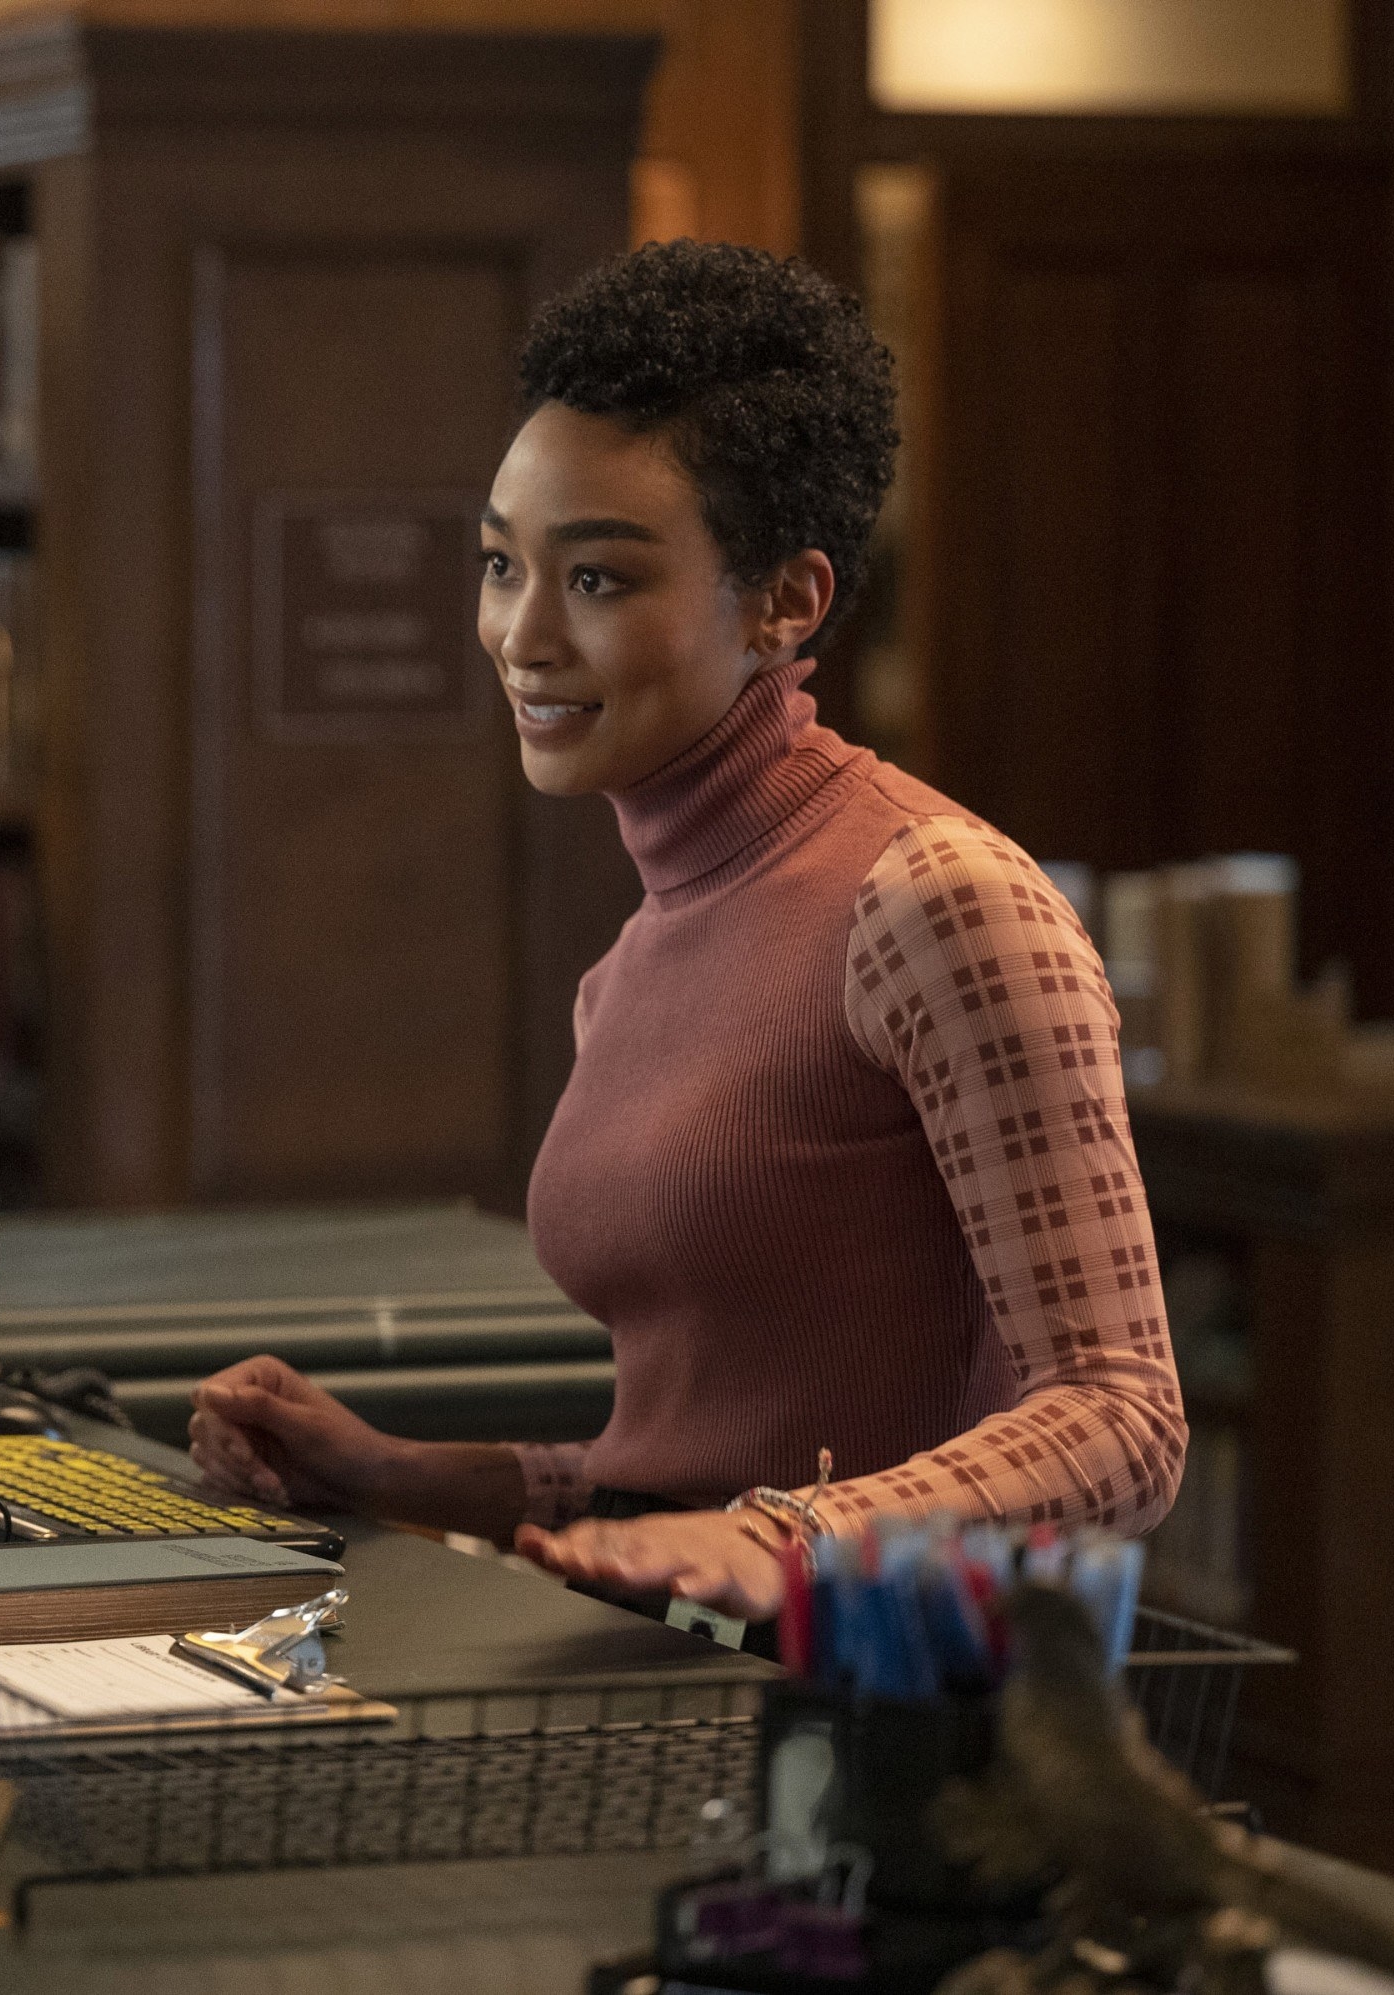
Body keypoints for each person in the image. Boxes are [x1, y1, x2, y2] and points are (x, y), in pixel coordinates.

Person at [186, 241, 1185, 1632]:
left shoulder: (940, 897)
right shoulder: (646, 945)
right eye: (498, 565)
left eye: (596, 580)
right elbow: (685, 1475)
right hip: (686, 1677)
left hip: (890, 1728)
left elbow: (1123, 1417)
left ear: (788, 601)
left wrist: (785, 1538)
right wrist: (399, 1469)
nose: (522, 634)